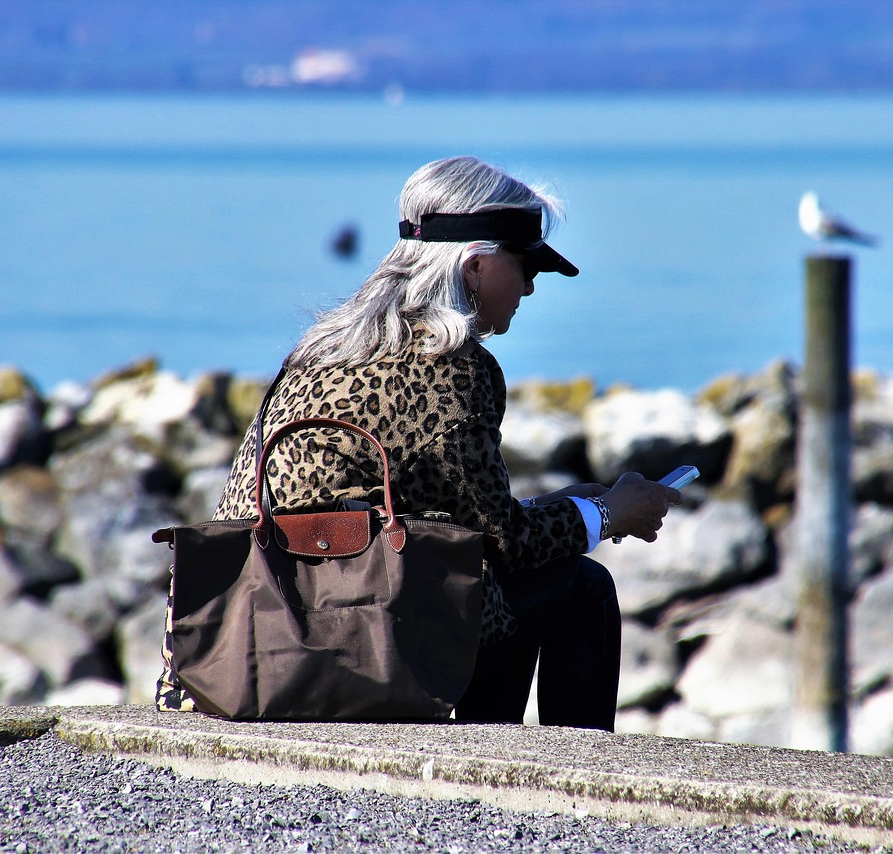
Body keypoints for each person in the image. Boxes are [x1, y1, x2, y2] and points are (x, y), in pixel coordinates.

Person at [156, 155, 680, 731]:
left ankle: (491, 750)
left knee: (494, 583)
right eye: (526, 266)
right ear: (476, 266)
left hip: (252, 631)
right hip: (348, 632)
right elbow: (506, 545)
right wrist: (607, 513)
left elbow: (459, 521)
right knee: (580, 588)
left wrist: (560, 508)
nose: (531, 286)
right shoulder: (453, 366)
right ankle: (539, 770)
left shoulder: (323, 348)